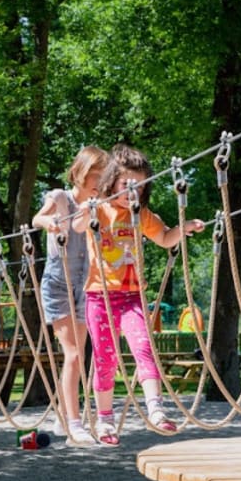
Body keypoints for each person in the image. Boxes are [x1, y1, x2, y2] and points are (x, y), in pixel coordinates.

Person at [73, 144, 205, 446]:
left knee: (144, 348)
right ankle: (104, 420)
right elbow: (78, 226)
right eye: (126, 184)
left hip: (132, 297)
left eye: (139, 187)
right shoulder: (99, 209)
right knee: (105, 359)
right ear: (111, 182)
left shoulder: (141, 215)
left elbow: (164, 238)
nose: (132, 192)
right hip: (100, 298)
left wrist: (183, 228)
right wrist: (87, 208)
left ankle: (155, 409)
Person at [32, 145, 109, 447]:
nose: (98, 181)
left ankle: (65, 413)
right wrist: (50, 223)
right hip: (58, 281)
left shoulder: (98, 204)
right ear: (80, 172)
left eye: (102, 176)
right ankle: (75, 425)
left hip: (86, 282)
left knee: (80, 355)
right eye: (94, 174)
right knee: (74, 353)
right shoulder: (61, 197)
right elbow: (38, 218)